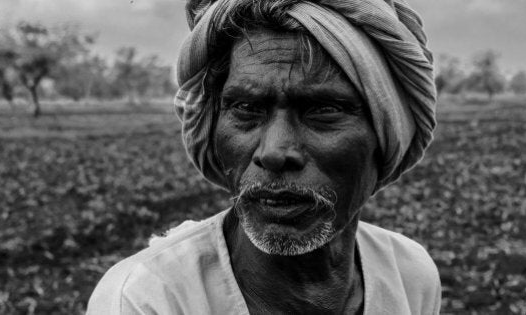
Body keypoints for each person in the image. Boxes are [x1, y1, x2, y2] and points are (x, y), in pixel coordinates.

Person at [87, 0, 441, 313]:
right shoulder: (147, 300)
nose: (274, 152)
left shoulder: (410, 276)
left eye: (323, 109)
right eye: (245, 108)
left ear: (386, 133)